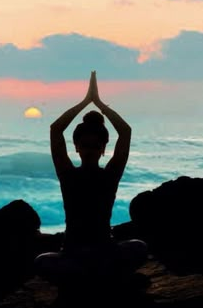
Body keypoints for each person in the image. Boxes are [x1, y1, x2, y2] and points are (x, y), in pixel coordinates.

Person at [34, 71, 147, 284]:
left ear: (104, 149)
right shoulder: (68, 175)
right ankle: (100, 277)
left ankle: (90, 278)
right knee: (41, 261)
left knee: (139, 246)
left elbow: (125, 132)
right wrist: (86, 101)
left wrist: (99, 103)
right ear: (76, 147)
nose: (89, 150)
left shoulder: (110, 175)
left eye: (95, 146)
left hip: (106, 250)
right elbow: (56, 130)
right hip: (73, 254)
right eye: (84, 145)